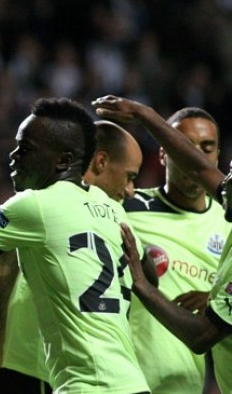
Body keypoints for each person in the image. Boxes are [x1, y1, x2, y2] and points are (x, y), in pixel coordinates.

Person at [0, 97, 150, 394]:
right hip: (132, 382)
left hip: (81, 384)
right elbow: (148, 280)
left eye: (26, 148)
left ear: (64, 160)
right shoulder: (116, 214)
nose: (14, 155)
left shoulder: (35, 205)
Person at [93, 96, 232, 393]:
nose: (194, 157)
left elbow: (205, 334)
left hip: (186, 383)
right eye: (184, 147)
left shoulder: (226, 220)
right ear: (163, 155)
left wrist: (216, 299)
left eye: (206, 149)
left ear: (217, 155)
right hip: (122, 376)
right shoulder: (127, 207)